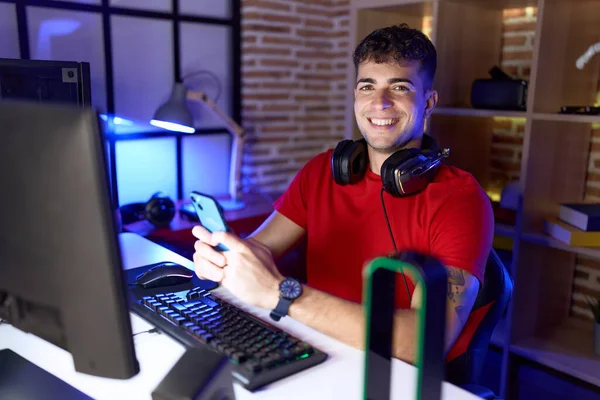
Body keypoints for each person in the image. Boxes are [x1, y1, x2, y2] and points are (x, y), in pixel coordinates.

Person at [191, 24, 494, 364]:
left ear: (429, 102)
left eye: (399, 87)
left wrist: (283, 295)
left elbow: (425, 340)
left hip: (388, 373)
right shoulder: (321, 171)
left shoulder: (461, 199)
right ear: (355, 96)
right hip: (313, 350)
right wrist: (224, 258)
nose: (380, 102)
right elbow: (260, 247)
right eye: (368, 86)